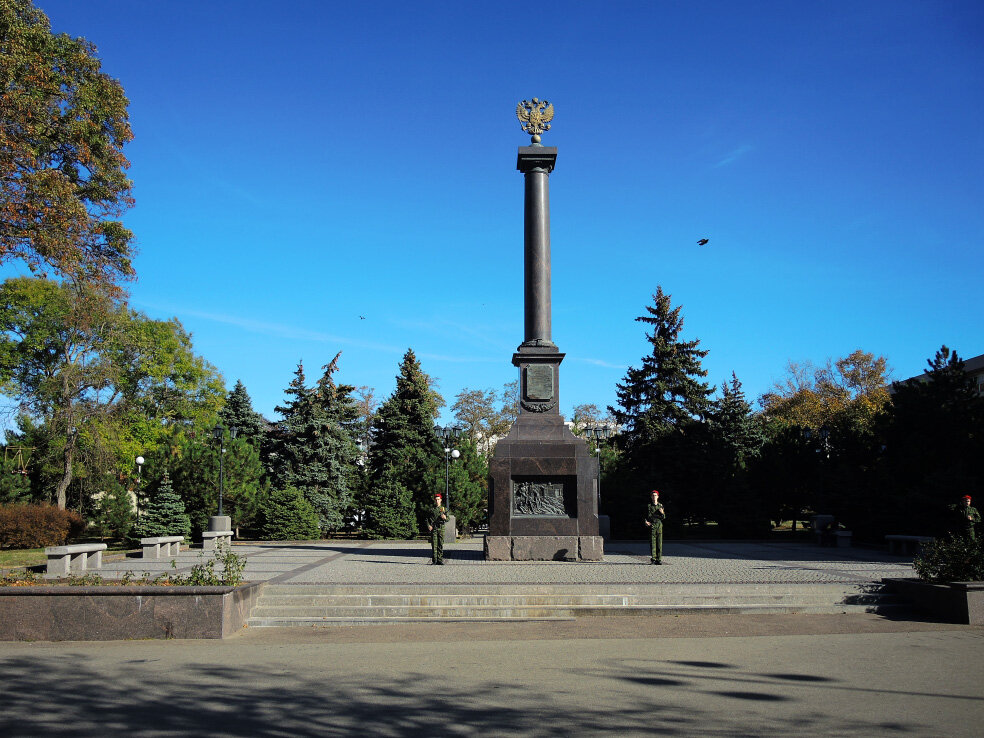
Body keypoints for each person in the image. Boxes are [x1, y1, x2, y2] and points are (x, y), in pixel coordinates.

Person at [643, 489, 666, 565]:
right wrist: (646, 522)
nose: (654, 497)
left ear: (658, 497)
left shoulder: (660, 505)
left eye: (655, 495)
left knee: (659, 543)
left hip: (659, 525)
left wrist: (662, 513)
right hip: (652, 525)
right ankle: (653, 559)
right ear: (651, 497)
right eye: (653, 495)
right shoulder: (649, 506)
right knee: (653, 543)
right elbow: (646, 516)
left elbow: (663, 517)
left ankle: (659, 559)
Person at [427, 492, 449, 564]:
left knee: (440, 544)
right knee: (434, 544)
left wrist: (445, 518)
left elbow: (448, 519)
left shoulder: (444, 509)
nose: (437, 501)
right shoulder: (431, 509)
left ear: (441, 500)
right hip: (434, 528)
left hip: (441, 528)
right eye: (436, 499)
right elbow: (427, 519)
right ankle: (434, 560)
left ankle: (440, 559)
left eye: (438, 499)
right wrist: (429, 525)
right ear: (434, 500)